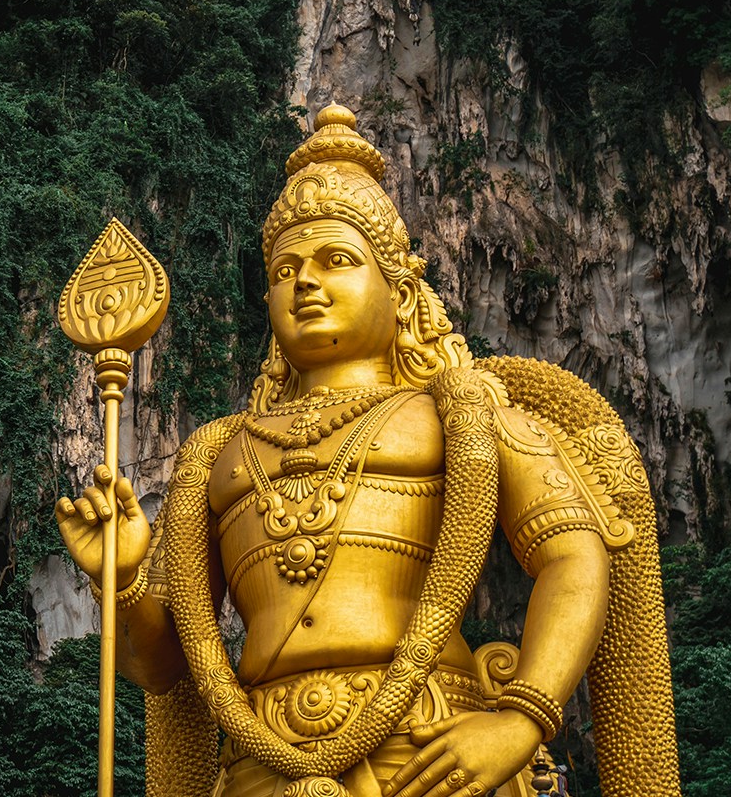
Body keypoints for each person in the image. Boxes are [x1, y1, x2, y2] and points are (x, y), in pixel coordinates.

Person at [56, 104, 677, 797]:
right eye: (285, 268)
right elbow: (164, 667)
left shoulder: (459, 410)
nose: (305, 282)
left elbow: (574, 555)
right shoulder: (218, 452)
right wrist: (122, 575)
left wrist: (523, 717)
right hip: (261, 762)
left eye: (337, 260)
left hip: (428, 746)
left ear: (400, 291)